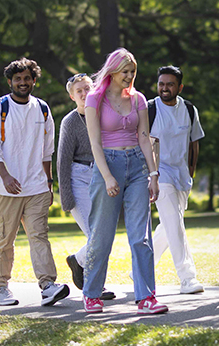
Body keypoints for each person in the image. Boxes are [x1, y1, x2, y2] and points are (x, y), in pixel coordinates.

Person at [82, 48, 168, 314]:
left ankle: (146, 298)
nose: (130, 76)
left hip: (137, 167)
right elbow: (94, 143)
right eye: (125, 72)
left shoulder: (139, 99)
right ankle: (92, 293)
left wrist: (153, 175)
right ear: (112, 71)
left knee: (140, 236)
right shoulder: (94, 99)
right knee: (101, 234)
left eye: (133, 72)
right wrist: (107, 176)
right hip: (107, 164)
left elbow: (144, 138)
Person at [0, 57, 70, 307]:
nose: (23, 82)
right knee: (5, 239)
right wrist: (6, 176)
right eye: (18, 79)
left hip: (36, 187)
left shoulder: (42, 108)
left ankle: (47, 286)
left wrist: (49, 183)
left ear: (34, 81)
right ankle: (1, 288)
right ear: (10, 81)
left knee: (39, 236)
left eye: (27, 78)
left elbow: (46, 151)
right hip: (4, 188)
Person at [56, 73, 115, 300]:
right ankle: (95, 286)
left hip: (102, 176)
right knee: (96, 234)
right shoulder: (70, 122)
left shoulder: (104, 116)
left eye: (87, 88)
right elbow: (62, 161)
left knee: (104, 234)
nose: (84, 93)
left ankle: (78, 260)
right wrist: (66, 197)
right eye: (79, 90)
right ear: (72, 96)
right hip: (78, 177)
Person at [149, 65, 205, 294]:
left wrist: (191, 169)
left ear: (179, 87)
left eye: (170, 84)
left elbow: (194, 142)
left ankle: (142, 267)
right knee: (175, 224)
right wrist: (150, 173)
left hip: (182, 175)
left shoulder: (190, 110)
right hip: (159, 175)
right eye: (161, 84)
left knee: (170, 225)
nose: (165, 88)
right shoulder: (149, 108)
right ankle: (187, 278)